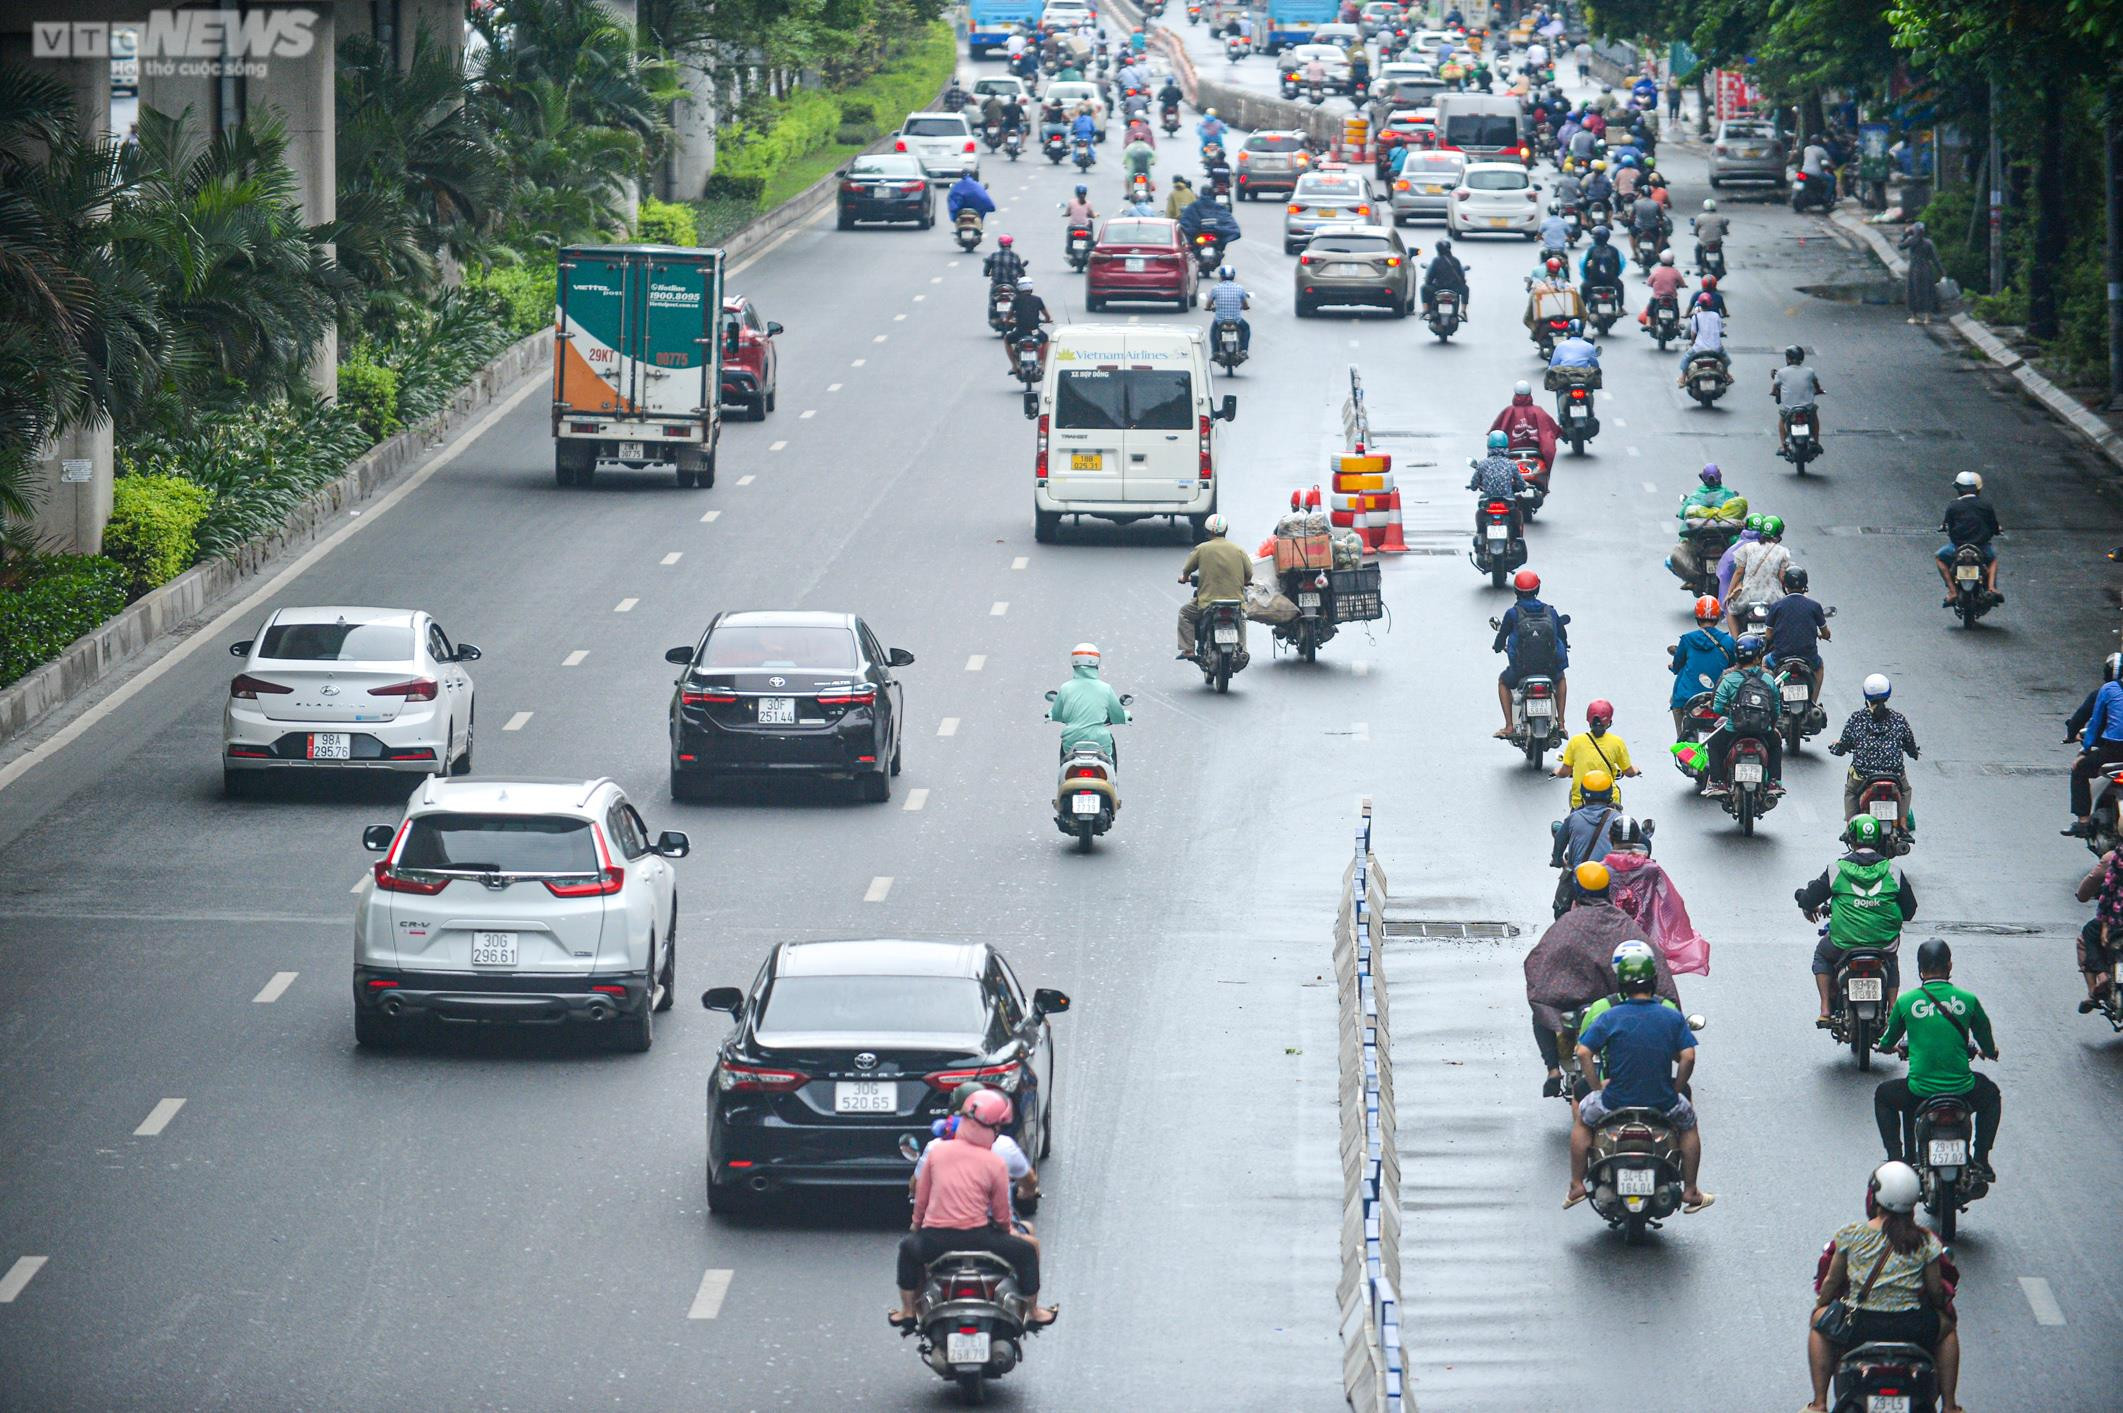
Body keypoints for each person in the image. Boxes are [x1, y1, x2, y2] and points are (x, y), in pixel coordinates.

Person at [1802, 1162, 1962, 1413]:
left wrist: (1822, 1304)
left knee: (1818, 1323)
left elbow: (1832, 1282)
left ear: (1875, 1196)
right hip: (1913, 1326)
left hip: (1859, 1326)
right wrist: (1942, 1309)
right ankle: (1950, 1406)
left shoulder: (1851, 1234)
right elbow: (1935, 1291)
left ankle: (1819, 1403)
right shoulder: (1925, 1240)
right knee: (1948, 1330)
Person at [891, 1090, 1056, 1332]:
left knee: (907, 1248)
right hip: (980, 1236)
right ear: (992, 1127)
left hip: (935, 1238)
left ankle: (907, 1311)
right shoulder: (995, 1161)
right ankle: (1033, 1312)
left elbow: (921, 1200)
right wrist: (1006, 1231)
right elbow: (1001, 1214)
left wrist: (917, 1226)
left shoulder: (937, 1152)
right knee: (1028, 1250)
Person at [1565, 943, 1712, 1213]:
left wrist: (1598, 1089)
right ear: (1654, 981)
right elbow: (1688, 1057)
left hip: (1614, 1100)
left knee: (1583, 1123)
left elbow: (1584, 1052)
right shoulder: (1670, 1015)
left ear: (1621, 984)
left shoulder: (1608, 1015)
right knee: (1689, 1124)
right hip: (1662, 1102)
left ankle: (1576, 1185)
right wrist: (1675, 1090)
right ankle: (1691, 1190)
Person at [1873, 938, 2000, 1187]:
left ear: (1920, 969)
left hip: (1920, 1091)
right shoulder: (1968, 999)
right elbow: (1985, 1039)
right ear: (1949, 966)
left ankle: (1896, 1160)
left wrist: (1890, 1048)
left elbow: (1888, 1041)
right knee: (1991, 1095)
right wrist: (1989, 1051)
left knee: (1883, 1096)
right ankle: (1982, 1159)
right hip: (1963, 1088)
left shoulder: (1907, 1002)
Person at [1796, 814, 1917, 1021]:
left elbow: (1809, 898)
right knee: (1891, 958)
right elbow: (1909, 910)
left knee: (1822, 954)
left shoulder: (1836, 870)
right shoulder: (1894, 871)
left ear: (1850, 840)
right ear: (1879, 839)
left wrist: (1801, 897)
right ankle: (1893, 1009)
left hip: (1843, 943)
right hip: (1884, 943)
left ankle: (1825, 1008)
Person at [1602, 827, 1712, 977]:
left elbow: (1585, 906)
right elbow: (1671, 904)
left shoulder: (1600, 870)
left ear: (1610, 838)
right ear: (1636, 839)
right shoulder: (1651, 869)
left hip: (1608, 938)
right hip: (1645, 936)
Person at [1832, 674, 1920, 829]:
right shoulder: (1898, 719)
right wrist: (1914, 753)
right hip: (1894, 776)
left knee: (1851, 792)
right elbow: (1910, 745)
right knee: (1906, 789)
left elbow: (1843, 745)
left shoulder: (1857, 719)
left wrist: (1837, 748)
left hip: (1864, 777)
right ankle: (1903, 822)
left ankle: (1850, 827)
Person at [1701, 634, 1783, 795]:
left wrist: (1732, 713)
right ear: (1758, 656)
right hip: (1762, 731)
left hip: (1734, 730)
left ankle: (1717, 782)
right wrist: (1771, 727)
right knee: (1776, 743)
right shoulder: (1768, 678)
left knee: (1715, 744)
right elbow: (1775, 708)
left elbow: (1717, 707)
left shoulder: (1729, 678)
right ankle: (1774, 782)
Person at [1493, 569, 1570, 737]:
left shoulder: (1512, 613)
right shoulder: (1550, 611)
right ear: (1537, 589)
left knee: (1503, 682)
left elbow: (1501, 637)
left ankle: (1509, 726)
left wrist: (1497, 647)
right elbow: (1562, 637)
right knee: (1561, 678)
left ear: (1516, 591)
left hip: (1522, 669)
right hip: (1549, 668)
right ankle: (1562, 723)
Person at [1177, 514, 1252, 662]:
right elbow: (1249, 573)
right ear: (1226, 530)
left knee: (1185, 613)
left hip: (1207, 602)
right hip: (1235, 600)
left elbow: (1187, 569)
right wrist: (1246, 581)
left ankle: (1189, 650)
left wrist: (1184, 578)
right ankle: (1242, 648)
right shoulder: (1238, 550)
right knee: (1241, 617)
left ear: (1207, 531)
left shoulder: (1202, 549)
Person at [1047, 643, 1130, 765]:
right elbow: (1117, 715)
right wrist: (1125, 716)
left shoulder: (1065, 688)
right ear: (1097, 662)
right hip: (1100, 741)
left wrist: (1051, 715)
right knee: (1109, 764)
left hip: (1071, 741)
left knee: (1065, 764)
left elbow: (1057, 714)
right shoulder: (1105, 688)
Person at [1668, 595, 1736, 738]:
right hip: (1719, 696)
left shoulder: (1687, 640)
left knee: (1676, 704)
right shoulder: (1728, 642)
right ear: (1717, 618)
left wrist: (1672, 666)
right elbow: (1733, 667)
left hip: (1687, 697)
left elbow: (1677, 666)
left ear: (1697, 618)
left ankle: (1682, 741)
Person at [2067, 665, 2123, 837]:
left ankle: (2083, 821)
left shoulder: (2108, 690)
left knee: (2079, 769)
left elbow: (2095, 724)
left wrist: (2085, 751)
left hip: (2115, 750)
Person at [1668, 464, 1745, 584]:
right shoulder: (1729, 494)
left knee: (1680, 550)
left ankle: (1692, 581)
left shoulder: (1696, 495)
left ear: (1702, 478)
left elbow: (1683, 513)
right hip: (1723, 538)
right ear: (1720, 477)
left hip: (1702, 539)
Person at [1766, 566, 1830, 706]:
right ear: (1805, 585)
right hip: (1808, 658)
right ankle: (1813, 702)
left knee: (1764, 663)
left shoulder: (1776, 606)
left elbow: (1768, 635)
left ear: (1785, 585)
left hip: (1780, 657)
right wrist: (1822, 635)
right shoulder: (1814, 606)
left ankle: (1768, 701)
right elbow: (1826, 633)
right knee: (1819, 667)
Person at [1555, 700, 1639, 807]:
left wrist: (1557, 771)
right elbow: (1629, 772)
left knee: (1570, 823)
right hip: (1610, 802)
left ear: (1589, 720)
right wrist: (1636, 770)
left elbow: (1564, 772)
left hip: (1581, 802)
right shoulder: (1617, 742)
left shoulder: (1575, 741)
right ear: (1608, 721)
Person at [1934, 470, 2001, 604]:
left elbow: (1948, 524)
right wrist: (1997, 530)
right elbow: (1993, 525)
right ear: (1978, 489)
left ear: (1959, 489)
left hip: (1958, 548)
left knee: (1939, 557)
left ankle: (1952, 592)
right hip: (1981, 548)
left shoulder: (1953, 505)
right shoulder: (1986, 505)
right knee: (1993, 559)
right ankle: (1992, 587)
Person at [2072, 846, 2123, 1010]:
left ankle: (2097, 982)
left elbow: (2106, 892)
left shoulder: (2114, 858)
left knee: (2087, 934)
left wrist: (2105, 923)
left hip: (2118, 921)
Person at [1726, 514, 1790, 627]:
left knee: (1730, 613)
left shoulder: (1748, 547)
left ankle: (1737, 641)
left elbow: (1739, 572)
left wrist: (1729, 593)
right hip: (1773, 597)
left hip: (1748, 595)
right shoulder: (1783, 552)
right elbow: (1782, 577)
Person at [1467, 430, 1529, 534]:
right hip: (1507, 500)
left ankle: (1481, 537)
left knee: (1480, 512)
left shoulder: (1482, 464)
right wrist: (1523, 487)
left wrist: (1473, 486)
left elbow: (1473, 485)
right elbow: (1521, 484)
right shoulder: (1511, 464)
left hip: (1488, 500)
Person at [1771, 343, 1824, 457]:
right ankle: (1816, 441)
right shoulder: (1809, 371)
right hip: (1807, 407)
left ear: (1788, 358)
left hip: (1789, 408)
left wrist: (1774, 392)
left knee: (1782, 419)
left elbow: (1775, 388)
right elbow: (1816, 384)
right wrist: (1819, 390)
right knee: (1814, 415)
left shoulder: (1781, 372)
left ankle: (1783, 446)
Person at [1489, 382, 1560, 467]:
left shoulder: (1508, 411)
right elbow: (1551, 430)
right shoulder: (1539, 411)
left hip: (1512, 454)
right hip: (1536, 455)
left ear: (1515, 394)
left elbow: (1495, 433)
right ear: (1530, 394)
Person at [1002, 277, 1053, 376]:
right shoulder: (1037, 300)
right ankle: (1043, 366)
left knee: (1007, 339)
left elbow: (1009, 315)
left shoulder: (1016, 300)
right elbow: (1046, 315)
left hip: (1020, 332)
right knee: (1046, 340)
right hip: (1034, 331)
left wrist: (1007, 320)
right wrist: (1047, 320)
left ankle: (1014, 366)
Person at [1676, 292, 1727, 384]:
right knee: (1725, 359)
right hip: (1715, 348)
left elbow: (1693, 334)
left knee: (1686, 358)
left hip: (1699, 348)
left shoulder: (1695, 317)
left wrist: (1692, 343)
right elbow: (1720, 332)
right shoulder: (1716, 316)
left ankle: (1682, 378)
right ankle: (1727, 375)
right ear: (1711, 304)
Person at [1899, 221, 1943, 324]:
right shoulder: (1928, 243)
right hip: (1926, 269)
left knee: (1913, 291)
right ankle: (1927, 317)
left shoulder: (1911, 241)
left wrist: (1905, 234)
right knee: (1927, 292)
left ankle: (1914, 316)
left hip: (1914, 269)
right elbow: (1935, 259)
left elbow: (1900, 246)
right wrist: (1942, 271)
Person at [1203, 265, 1251, 351]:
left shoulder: (1215, 288)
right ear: (1233, 276)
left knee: (1213, 333)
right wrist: (1245, 307)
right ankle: (1244, 350)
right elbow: (1245, 305)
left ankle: (1215, 351)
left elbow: (1208, 303)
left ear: (1221, 276)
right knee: (1246, 328)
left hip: (1220, 320)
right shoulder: (1239, 288)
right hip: (1236, 320)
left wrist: (1208, 308)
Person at [1421, 238, 1470, 317]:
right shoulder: (1456, 261)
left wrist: (1428, 281)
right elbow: (1462, 279)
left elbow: (1428, 280)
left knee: (1423, 288)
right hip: (1454, 289)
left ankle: (1426, 310)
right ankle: (1463, 311)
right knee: (1466, 289)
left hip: (1438, 288)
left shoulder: (1436, 261)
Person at [1639, 248, 1686, 326]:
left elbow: (1649, 282)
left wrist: (1648, 283)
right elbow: (1682, 283)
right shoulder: (1675, 271)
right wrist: (1683, 285)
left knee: (1650, 308)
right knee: (1676, 310)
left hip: (1657, 297)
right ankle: (1677, 325)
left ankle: (1648, 323)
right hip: (1671, 297)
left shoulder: (1656, 271)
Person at [1579, 225, 1624, 289]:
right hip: (1611, 280)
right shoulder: (1613, 249)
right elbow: (1617, 267)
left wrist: (1587, 277)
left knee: (1583, 287)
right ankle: (1620, 299)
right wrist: (1614, 277)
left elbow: (1585, 268)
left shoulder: (1592, 250)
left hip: (1594, 280)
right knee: (1620, 287)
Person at [1690, 198, 1728, 272]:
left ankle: (1699, 266)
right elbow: (1724, 229)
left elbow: (1695, 229)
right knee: (1720, 250)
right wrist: (1725, 233)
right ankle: (1722, 266)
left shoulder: (1700, 217)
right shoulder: (1720, 217)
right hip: (1717, 242)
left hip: (1704, 242)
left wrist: (1695, 233)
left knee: (1697, 249)